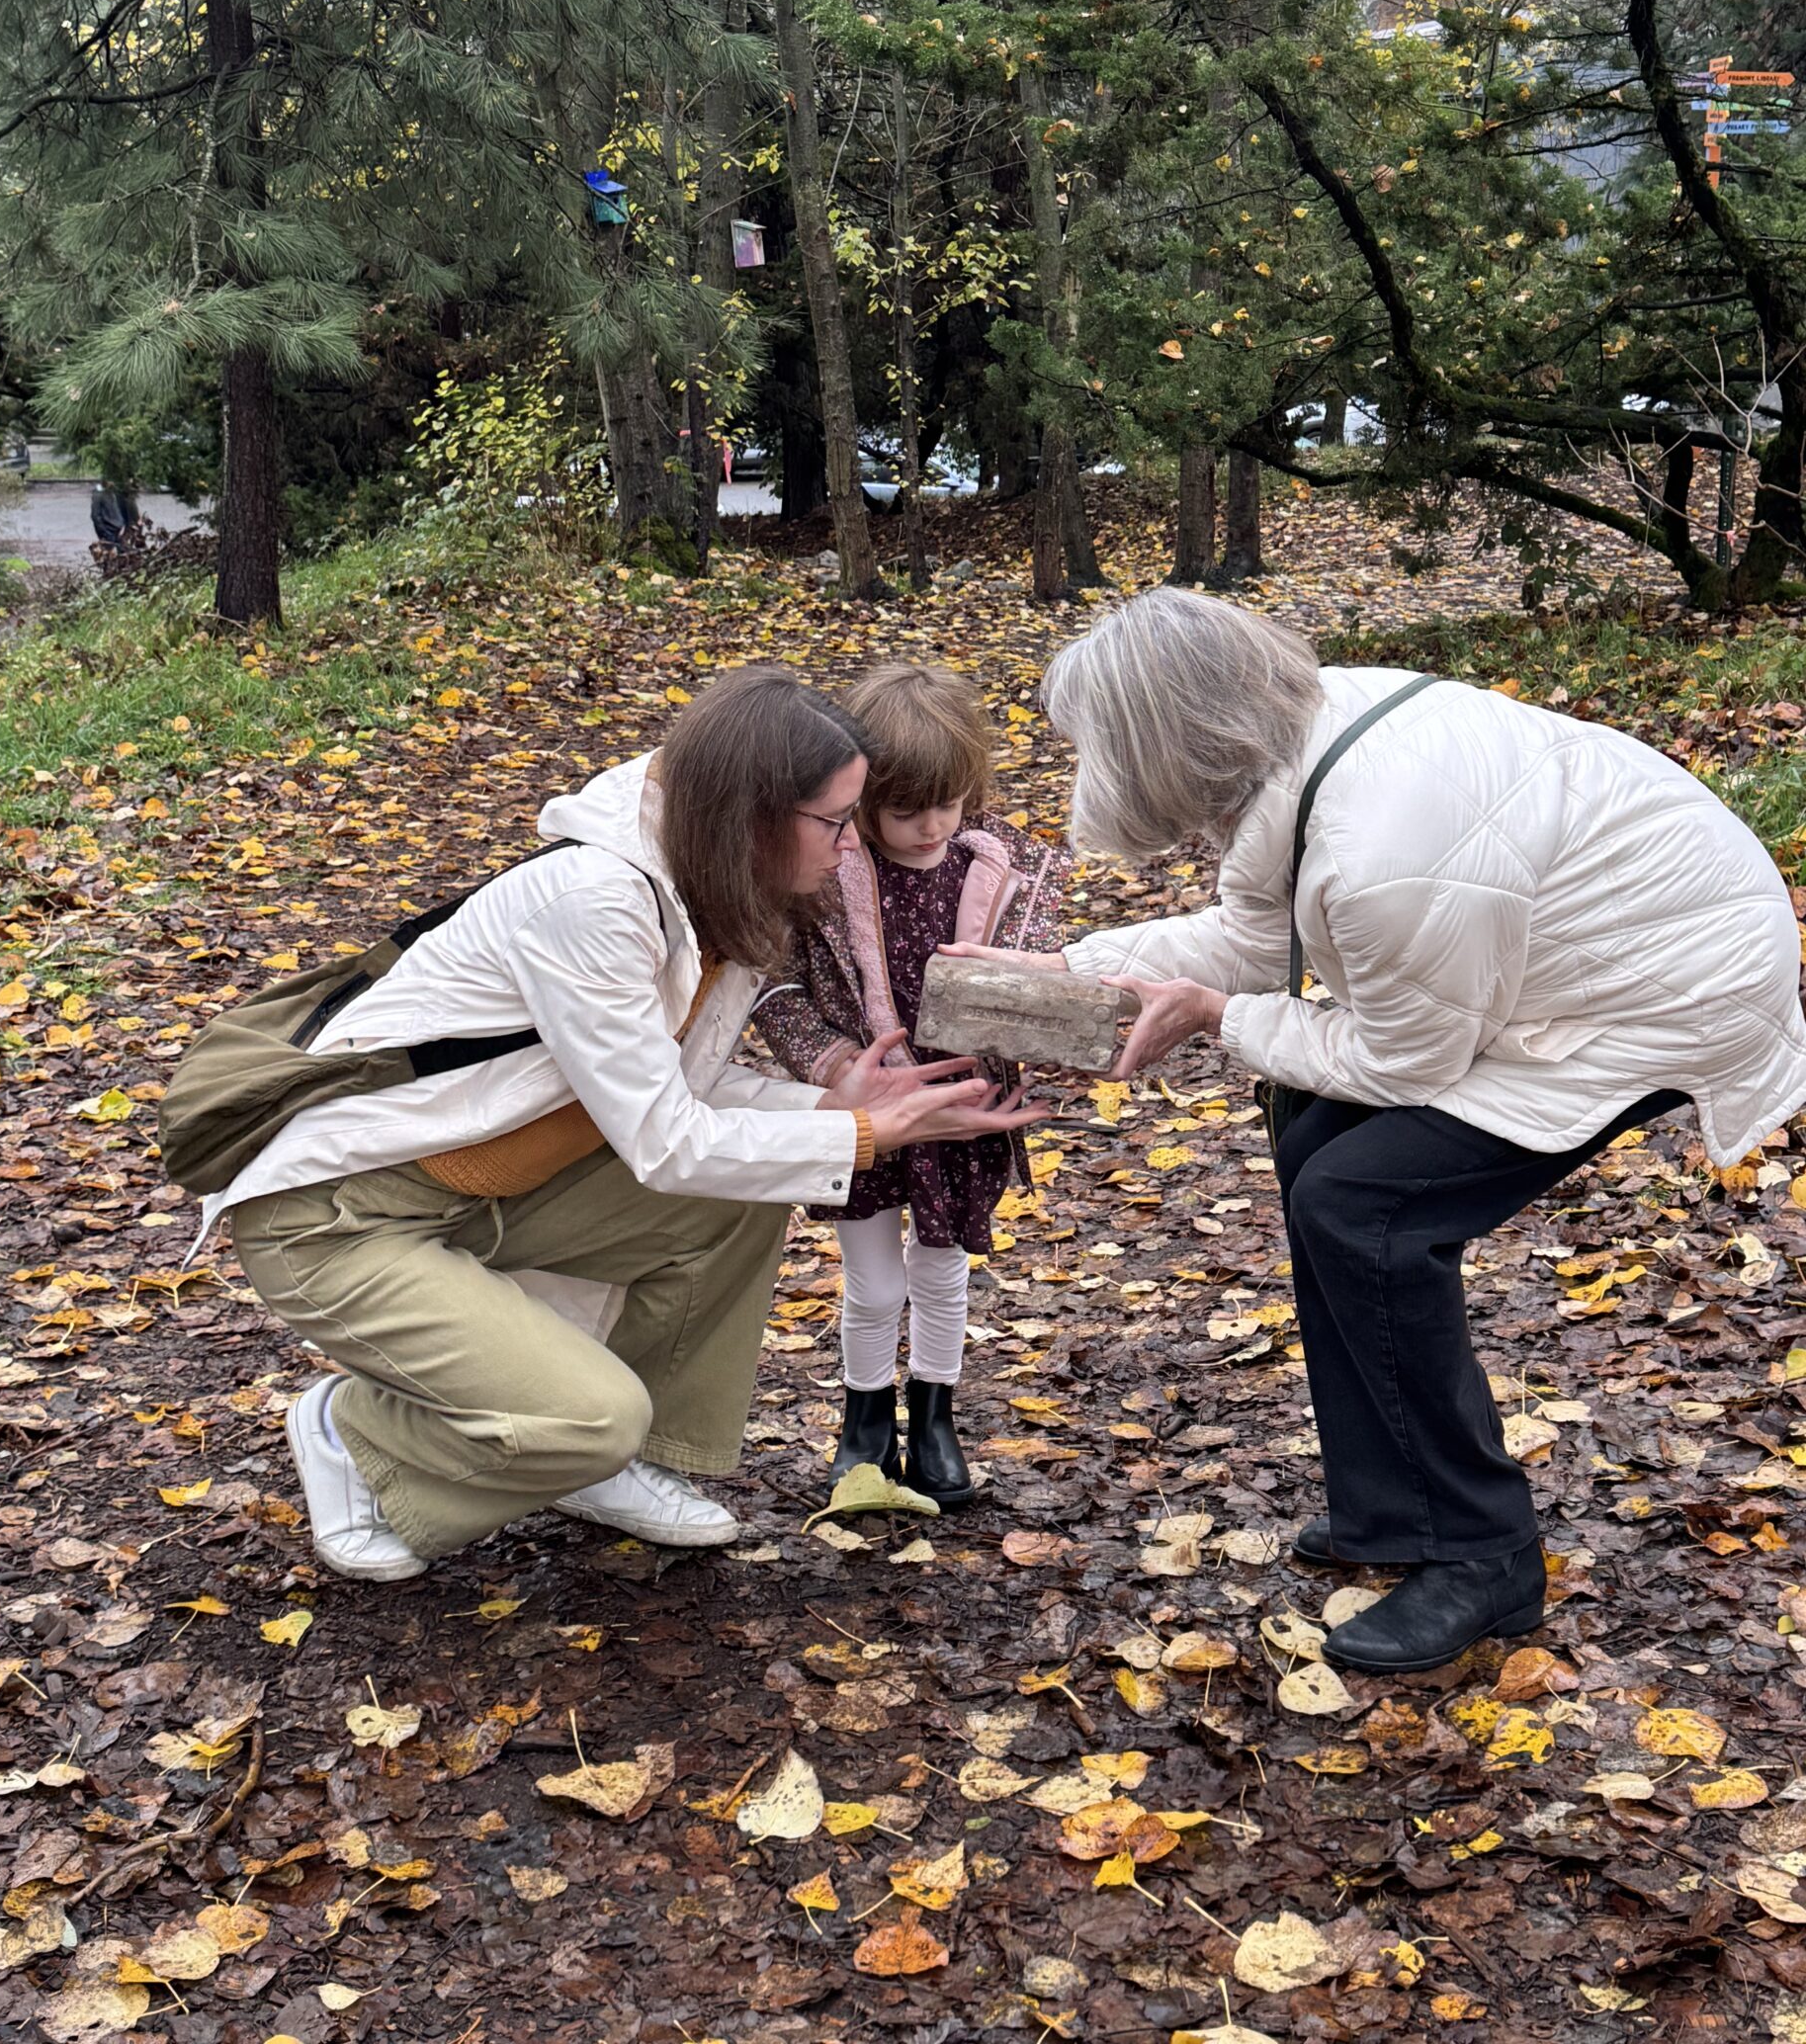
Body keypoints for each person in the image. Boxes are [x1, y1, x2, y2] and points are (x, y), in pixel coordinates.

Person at [953, 589, 1806, 1673]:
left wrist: (1220, 1019)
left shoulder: (1380, 845)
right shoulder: (1304, 735)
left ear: (1167, 739)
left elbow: (1407, 1061)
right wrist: (1076, 969)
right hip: (1565, 961)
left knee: (1366, 1206)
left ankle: (1483, 1553)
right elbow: (1257, 930)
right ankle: (1391, 1508)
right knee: (1316, 1139)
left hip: (1658, 992)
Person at [208, 667, 1046, 1583]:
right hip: (338, 1217)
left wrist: (837, 1106)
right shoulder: (596, 903)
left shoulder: (718, 883)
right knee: (589, 1415)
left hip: (499, 1187)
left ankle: (620, 1466)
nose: (852, 848)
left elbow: (685, 1088)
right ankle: (358, 1436)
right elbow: (665, 1137)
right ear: (753, 815)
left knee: (746, 1195)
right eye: (836, 823)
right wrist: (859, 1136)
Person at [757, 663, 1065, 1506]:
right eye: (904, 809)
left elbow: (1051, 989)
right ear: (858, 800)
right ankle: (863, 1421)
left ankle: (935, 1415)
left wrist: (1026, 1050)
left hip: (964, 1113)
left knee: (940, 1270)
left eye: (950, 803)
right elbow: (779, 994)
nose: (931, 826)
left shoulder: (1009, 872)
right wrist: (830, 1070)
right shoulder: (820, 878)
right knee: (874, 1280)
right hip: (868, 1116)